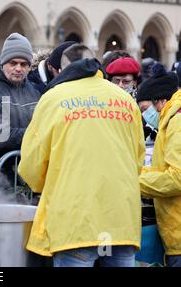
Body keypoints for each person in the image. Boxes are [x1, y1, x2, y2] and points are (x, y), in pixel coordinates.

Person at [18, 44, 146, 267]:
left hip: (76, 221)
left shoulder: (53, 98)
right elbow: (137, 160)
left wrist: (43, 187)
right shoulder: (125, 100)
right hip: (121, 220)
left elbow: (31, 163)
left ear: (60, 69)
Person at [0, 33, 41, 184]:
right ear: (3, 62)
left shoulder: (33, 91)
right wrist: (34, 135)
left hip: (24, 176)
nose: (18, 68)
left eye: (24, 64)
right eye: (13, 63)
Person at [136, 70, 180, 267]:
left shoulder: (176, 121)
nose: (146, 115)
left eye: (148, 108)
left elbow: (177, 177)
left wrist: (133, 181)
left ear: (161, 101)